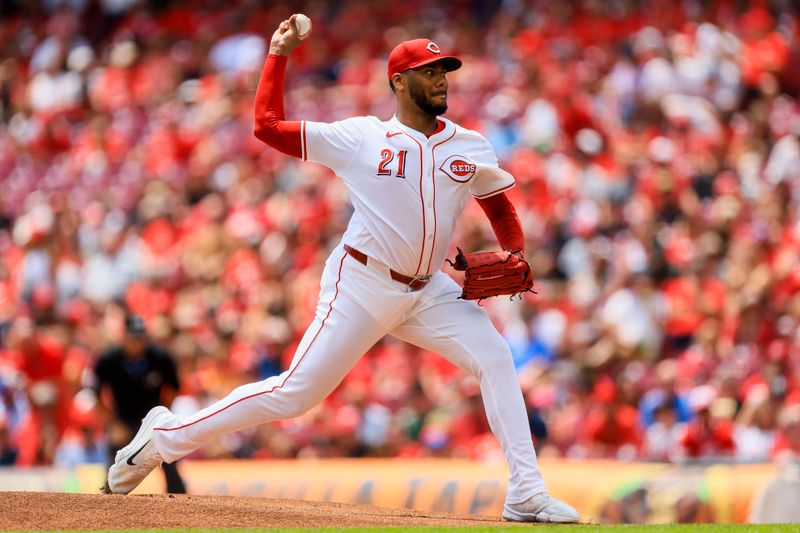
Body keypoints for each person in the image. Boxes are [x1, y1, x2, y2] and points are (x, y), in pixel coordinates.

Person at [104, 15, 579, 523]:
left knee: (496, 357)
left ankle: (526, 492)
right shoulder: (361, 138)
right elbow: (267, 127)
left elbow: (499, 205)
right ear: (399, 81)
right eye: (430, 70)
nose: (441, 78)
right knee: (294, 395)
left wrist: (515, 250)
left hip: (429, 292)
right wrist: (278, 54)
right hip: (363, 283)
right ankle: (164, 436)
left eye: (445, 70)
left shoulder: (469, 144)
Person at [96, 314, 186, 493]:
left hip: (152, 420)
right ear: (124, 336)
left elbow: (174, 388)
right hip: (122, 419)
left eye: (140, 337)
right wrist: (113, 423)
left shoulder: (160, 358)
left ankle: (179, 504)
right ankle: (106, 501)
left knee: (169, 461)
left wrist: (164, 415)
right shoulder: (109, 360)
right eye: (133, 337)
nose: (137, 342)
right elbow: (95, 394)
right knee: (113, 466)